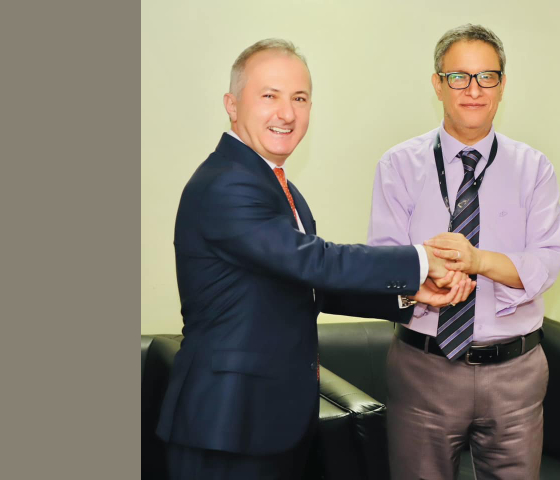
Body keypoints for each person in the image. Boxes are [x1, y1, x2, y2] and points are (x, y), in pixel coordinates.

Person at [156, 39, 474, 480]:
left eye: (300, 98)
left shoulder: (277, 186)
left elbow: (309, 284)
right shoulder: (226, 184)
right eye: (270, 95)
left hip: (270, 421)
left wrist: (410, 294)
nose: (287, 113)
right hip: (226, 425)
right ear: (232, 105)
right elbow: (316, 261)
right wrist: (421, 260)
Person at [367, 24, 560, 479]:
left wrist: (478, 261)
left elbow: (547, 260)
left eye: (487, 77)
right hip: (424, 369)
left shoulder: (534, 168)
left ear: (502, 84)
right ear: (437, 84)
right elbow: (383, 266)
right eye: (458, 77)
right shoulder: (398, 165)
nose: (473, 90)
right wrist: (426, 276)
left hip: (516, 372)